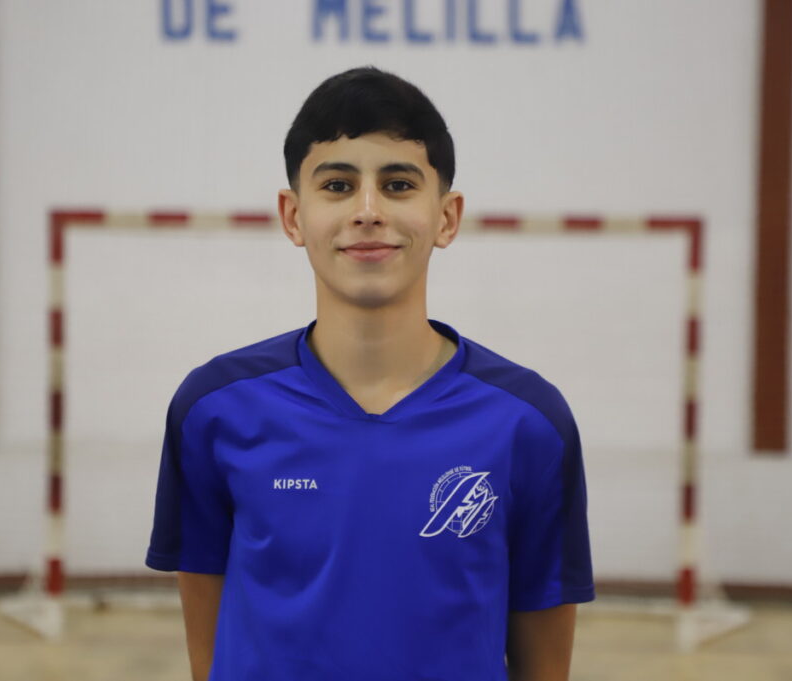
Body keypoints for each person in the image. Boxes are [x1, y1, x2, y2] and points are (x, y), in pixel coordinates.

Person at [146, 66, 594, 681]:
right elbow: (210, 651)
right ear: (293, 215)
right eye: (336, 184)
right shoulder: (215, 409)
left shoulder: (529, 423)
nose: (367, 211)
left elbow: (543, 664)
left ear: (446, 216)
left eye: (399, 184)